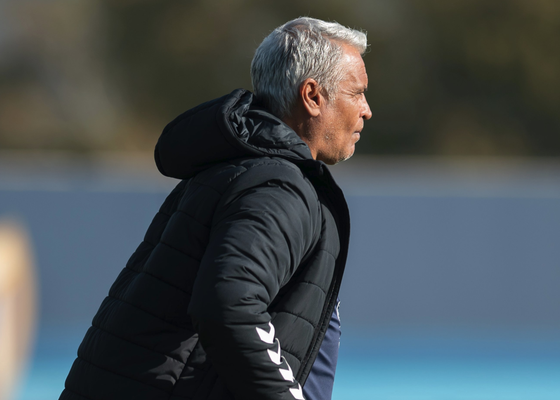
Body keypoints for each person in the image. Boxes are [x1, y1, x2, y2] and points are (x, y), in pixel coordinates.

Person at [60, 16, 371, 400]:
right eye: (357, 93)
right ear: (312, 96)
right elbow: (230, 306)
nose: (366, 110)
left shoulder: (234, 168)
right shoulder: (278, 187)